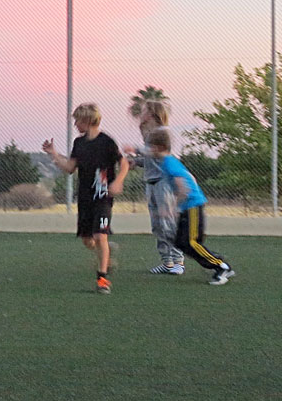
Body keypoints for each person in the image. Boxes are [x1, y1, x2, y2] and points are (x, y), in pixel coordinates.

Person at [44, 103, 127, 293]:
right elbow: (70, 168)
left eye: (78, 121)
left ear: (88, 120)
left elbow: (123, 164)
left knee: (100, 235)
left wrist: (118, 182)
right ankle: (106, 252)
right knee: (88, 240)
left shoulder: (107, 142)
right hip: (85, 198)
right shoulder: (79, 143)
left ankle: (102, 279)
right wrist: (54, 154)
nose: (75, 125)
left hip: (103, 197)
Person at [146, 128, 234, 284]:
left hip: (193, 206)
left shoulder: (169, 163)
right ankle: (217, 262)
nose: (149, 150)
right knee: (181, 243)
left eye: (151, 147)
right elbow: (190, 177)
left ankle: (221, 266)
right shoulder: (168, 162)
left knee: (191, 242)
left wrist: (172, 208)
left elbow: (183, 188)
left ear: (160, 147)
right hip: (189, 206)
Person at [126, 99, 184, 275]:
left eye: (144, 110)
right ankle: (167, 262)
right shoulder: (150, 135)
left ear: (152, 114)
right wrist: (136, 162)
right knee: (157, 225)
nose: (141, 113)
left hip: (164, 182)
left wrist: (136, 149)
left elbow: (157, 152)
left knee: (168, 222)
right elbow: (151, 159)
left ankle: (178, 260)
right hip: (151, 183)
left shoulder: (163, 132)